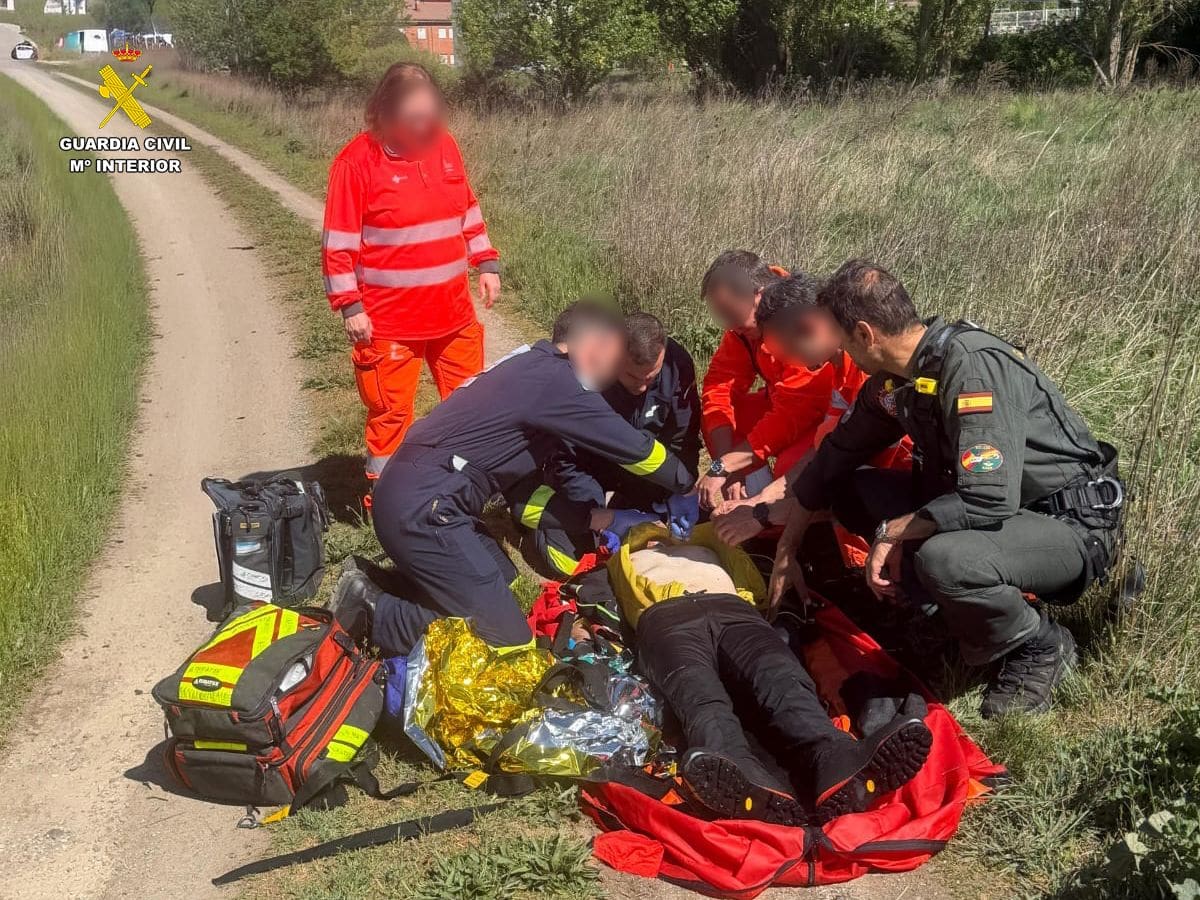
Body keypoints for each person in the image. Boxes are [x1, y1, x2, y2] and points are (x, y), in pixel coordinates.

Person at [765, 260, 1124, 718]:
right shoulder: (902, 379)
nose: (842, 354)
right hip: (1002, 515)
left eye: (843, 338)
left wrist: (894, 532)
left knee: (946, 559)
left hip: (1064, 524)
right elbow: (834, 458)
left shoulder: (971, 370)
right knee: (852, 490)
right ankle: (947, 617)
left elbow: (987, 496)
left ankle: (1038, 646)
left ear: (865, 334)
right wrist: (786, 552)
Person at [331, 301, 698, 657]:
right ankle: (372, 610)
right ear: (590, 345)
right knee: (507, 644)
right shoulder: (559, 383)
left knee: (509, 584)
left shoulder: (532, 368)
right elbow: (637, 451)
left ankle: (389, 583)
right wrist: (688, 486)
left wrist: (604, 519)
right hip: (425, 509)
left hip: (418, 496)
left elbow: (525, 499)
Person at [627, 572, 932, 825]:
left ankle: (836, 757)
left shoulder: (714, 537)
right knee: (700, 696)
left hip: (736, 609)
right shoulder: (626, 548)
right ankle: (739, 773)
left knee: (781, 679)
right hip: (665, 617)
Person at [322, 62, 501, 482]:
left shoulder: (446, 146)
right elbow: (338, 245)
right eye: (414, 118)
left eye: (430, 115)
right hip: (388, 325)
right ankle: (385, 508)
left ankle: (464, 492)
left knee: (472, 409)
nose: (425, 126)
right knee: (390, 417)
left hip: (453, 317)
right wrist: (350, 307)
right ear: (386, 113)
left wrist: (486, 263)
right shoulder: (356, 162)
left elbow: (467, 211)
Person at [712, 273, 908, 550]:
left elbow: (845, 476)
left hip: (903, 488)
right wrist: (758, 501)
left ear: (809, 327)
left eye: (786, 349)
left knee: (845, 487)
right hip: (874, 484)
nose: (784, 360)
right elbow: (824, 449)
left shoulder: (870, 375)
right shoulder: (841, 373)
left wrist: (763, 514)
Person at [507, 312, 701, 576]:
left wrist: (683, 487)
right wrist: (595, 517)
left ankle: (625, 505)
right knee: (577, 562)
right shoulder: (583, 370)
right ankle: (540, 525)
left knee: (672, 536)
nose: (643, 387)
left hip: (644, 464)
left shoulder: (676, 364)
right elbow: (565, 454)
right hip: (585, 463)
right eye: (633, 377)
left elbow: (683, 434)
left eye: (651, 378)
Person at [696, 251, 833, 510]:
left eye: (733, 315)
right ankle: (747, 496)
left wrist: (727, 464)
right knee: (719, 419)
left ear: (757, 294)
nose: (730, 326)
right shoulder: (743, 327)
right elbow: (720, 385)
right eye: (722, 316)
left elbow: (794, 413)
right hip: (784, 405)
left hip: (822, 416)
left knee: (791, 463)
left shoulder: (796, 320)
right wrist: (727, 464)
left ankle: (772, 515)